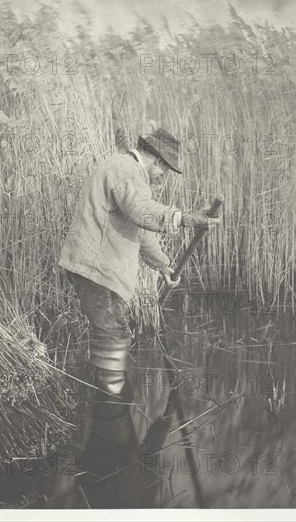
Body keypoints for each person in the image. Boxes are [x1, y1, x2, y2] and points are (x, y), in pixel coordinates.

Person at [58, 128, 221, 398]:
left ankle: (104, 397)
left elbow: (142, 229)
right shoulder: (126, 169)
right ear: (157, 160)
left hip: (97, 271)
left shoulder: (128, 173)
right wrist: (184, 218)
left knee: (112, 332)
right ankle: (112, 407)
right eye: (165, 170)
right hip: (96, 270)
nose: (162, 177)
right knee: (115, 334)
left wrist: (163, 265)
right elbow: (141, 212)